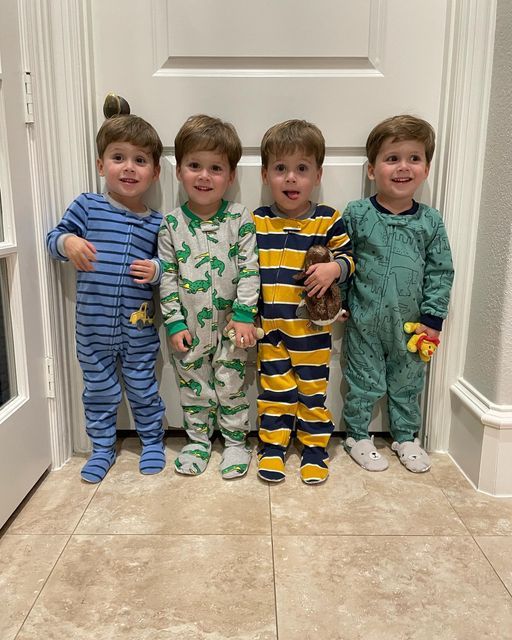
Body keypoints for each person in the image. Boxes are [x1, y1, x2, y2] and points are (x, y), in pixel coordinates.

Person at [47, 110, 166, 483]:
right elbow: (53, 239)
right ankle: (102, 447)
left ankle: (152, 442)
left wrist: (157, 270)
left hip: (139, 327)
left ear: (155, 172)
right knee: (99, 391)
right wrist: (68, 242)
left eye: (140, 160)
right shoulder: (87, 206)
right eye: (118, 158)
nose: (128, 168)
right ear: (101, 164)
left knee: (143, 387)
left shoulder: (158, 222)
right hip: (93, 327)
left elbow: (173, 265)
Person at [342, 114, 454, 473]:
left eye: (414, 158)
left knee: (408, 383)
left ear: (426, 168)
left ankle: (406, 436)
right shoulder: (357, 214)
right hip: (363, 321)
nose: (403, 167)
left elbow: (440, 271)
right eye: (392, 158)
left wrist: (433, 318)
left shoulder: (430, 222)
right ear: (372, 170)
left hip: (412, 328)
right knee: (362, 380)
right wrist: (341, 305)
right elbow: (344, 259)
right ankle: (357, 434)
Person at [254, 119, 355, 484]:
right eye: (281, 169)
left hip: (312, 330)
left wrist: (334, 269)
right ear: (266, 175)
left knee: (313, 392)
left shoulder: (328, 219)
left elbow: (349, 259)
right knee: (275, 391)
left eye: (301, 169)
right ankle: (273, 447)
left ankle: (314, 449)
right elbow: (247, 275)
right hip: (272, 331)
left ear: (318, 174)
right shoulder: (257, 222)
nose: (291, 178)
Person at [159, 114, 260, 479]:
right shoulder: (171, 225)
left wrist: (246, 313)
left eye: (215, 168)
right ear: (179, 171)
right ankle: (198, 440)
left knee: (231, 382)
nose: (204, 176)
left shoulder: (240, 218)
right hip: (189, 324)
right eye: (194, 166)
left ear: (230, 176)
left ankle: (235, 442)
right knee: (194, 383)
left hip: (234, 324)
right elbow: (167, 275)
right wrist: (173, 320)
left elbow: (250, 267)